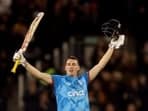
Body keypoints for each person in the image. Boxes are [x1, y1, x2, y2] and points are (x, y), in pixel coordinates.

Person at [13, 35, 125, 111]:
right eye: (69, 64)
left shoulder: (84, 79)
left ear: (78, 68)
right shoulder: (58, 80)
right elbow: (38, 74)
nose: (71, 66)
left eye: (73, 64)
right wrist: (24, 62)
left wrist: (111, 47)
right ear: (65, 68)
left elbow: (100, 65)